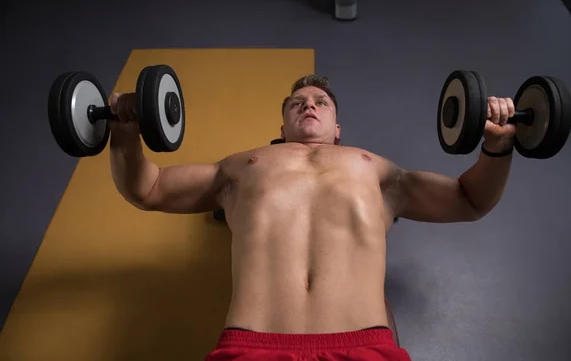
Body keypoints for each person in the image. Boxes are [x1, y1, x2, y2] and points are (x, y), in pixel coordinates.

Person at [109, 74, 516, 360]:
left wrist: (497, 147)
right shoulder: (242, 166)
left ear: (337, 128)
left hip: (364, 349)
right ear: (282, 127)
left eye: (321, 103)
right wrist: (123, 135)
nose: (309, 105)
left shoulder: (374, 168)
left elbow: (469, 200)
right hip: (253, 347)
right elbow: (149, 188)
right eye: (297, 103)